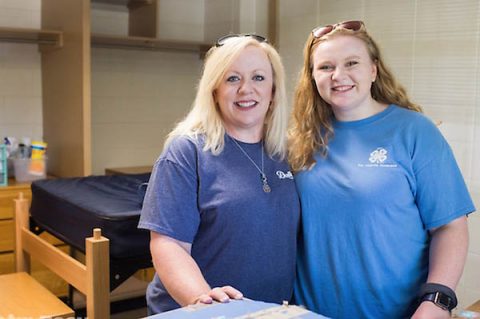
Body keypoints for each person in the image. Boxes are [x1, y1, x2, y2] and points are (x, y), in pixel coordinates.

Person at [288, 20, 475, 318]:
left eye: (352, 63)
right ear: (312, 76)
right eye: (325, 67)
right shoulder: (301, 140)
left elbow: (450, 227)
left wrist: (437, 300)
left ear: (373, 69)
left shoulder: (415, 132)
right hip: (310, 312)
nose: (339, 76)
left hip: (398, 313)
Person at [138, 34, 300, 314]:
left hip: (269, 311)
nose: (246, 89)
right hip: (202, 311)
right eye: (232, 79)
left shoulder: (287, 151)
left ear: (274, 90)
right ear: (214, 90)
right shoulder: (187, 151)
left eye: (259, 78)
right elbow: (169, 244)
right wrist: (203, 300)